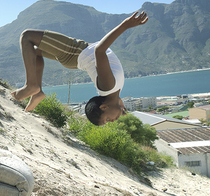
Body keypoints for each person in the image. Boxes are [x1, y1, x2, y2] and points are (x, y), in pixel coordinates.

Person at [11, 11, 149, 125]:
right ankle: (37, 91)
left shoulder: (108, 88)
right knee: (34, 51)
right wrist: (119, 104)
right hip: (75, 60)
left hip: (74, 51)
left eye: (107, 119)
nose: (112, 121)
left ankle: (31, 85)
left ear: (104, 107)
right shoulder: (112, 94)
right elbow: (112, 99)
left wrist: (125, 25)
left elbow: (99, 50)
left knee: (27, 36)